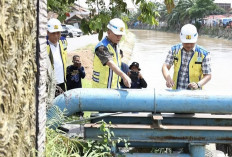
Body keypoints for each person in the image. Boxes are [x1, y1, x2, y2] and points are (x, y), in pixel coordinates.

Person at [162, 24, 211, 90]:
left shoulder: (204, 54)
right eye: (186, 42)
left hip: (195, 94)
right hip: (176, 91)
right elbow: (165, 66)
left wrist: (198, 84)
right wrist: (168, 78)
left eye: (191, 42)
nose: (189, 45)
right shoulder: (174, 50)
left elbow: (208, 75)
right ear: (181, 39)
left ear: (196, 39)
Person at [92, 18, 131, 88]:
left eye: (121, 35)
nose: (119, 37)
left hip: (113, 88)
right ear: (108, 32)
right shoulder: (101, 47)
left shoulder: (116, 46)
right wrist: (123, 75)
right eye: (117, 34)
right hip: (100, 91)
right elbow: (110, 63)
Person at [47, 18, 68, 96]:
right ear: (48, 32)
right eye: (53, 33)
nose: (56, 36)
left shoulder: (63, 42)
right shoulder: (44, 45)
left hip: (62, 81)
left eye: (58, 33)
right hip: (50, 84)